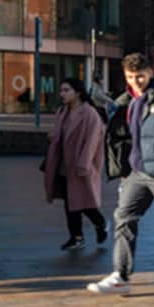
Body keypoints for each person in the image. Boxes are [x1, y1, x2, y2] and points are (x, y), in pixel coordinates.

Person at [89, 53, 154, 296]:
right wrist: (123, 170)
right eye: (131, 77)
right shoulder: (124, 102)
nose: (136, 81)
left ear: (151, 72)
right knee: (124, 219)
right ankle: (121, 275)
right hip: (137, 172)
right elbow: (120, 138)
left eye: (141, 76)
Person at [44, 76, 109, 251]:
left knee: (83, 202)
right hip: (64, 164)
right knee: (70, 202)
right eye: (61, 90)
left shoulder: (89, 114)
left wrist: (85, 163)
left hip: (81, 166)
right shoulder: (62, 112)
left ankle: (100, 222)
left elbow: (92, 140)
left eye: (66, 90)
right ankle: (76, 237)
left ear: (78, 93)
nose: (62, 94)